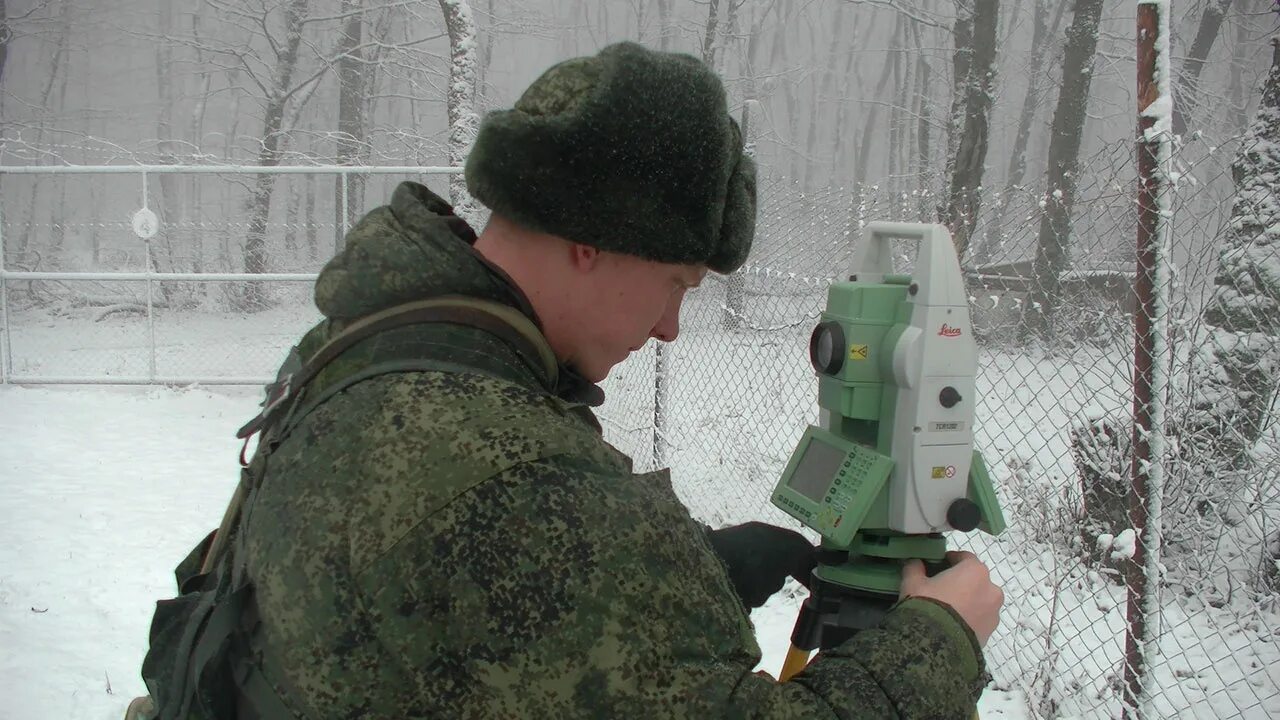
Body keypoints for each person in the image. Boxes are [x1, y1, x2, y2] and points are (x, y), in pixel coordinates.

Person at [134, 41, 1003, 719]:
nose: (669, 327)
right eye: (675, 285)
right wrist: (937, 644)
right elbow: (499, 524)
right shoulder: (514, 482)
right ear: (594, 242)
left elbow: (448, 598)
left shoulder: (372, 347)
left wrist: (675, 573)